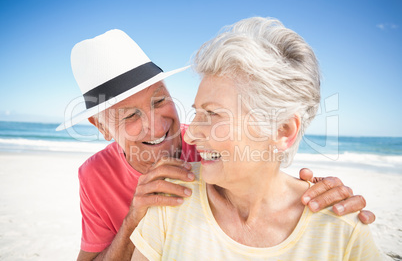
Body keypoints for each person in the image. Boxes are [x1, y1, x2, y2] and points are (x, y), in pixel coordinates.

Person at [56, 29, 375, 261]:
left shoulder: (212, 150)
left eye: (160, 100)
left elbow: (266, 169)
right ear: (100, 127)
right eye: (129, 116)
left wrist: (321, 196)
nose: (158, 125)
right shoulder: (95, 175)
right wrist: (135, 216)